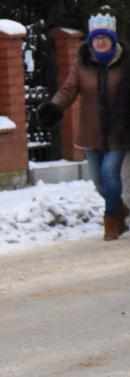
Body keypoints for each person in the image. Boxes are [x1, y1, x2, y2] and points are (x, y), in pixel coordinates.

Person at [40, 13, 130, 240]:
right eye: (96, 38)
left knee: (110, 173)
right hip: (90, 133)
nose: (100, 42)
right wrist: (54, 107)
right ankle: (119, 209)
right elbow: (68, 90)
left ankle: (111, 222)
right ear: (91, 41)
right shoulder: (82, 64)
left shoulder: (125, 64)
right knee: (99, 182)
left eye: (105, 37)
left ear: (113, 40)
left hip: (119, 132)